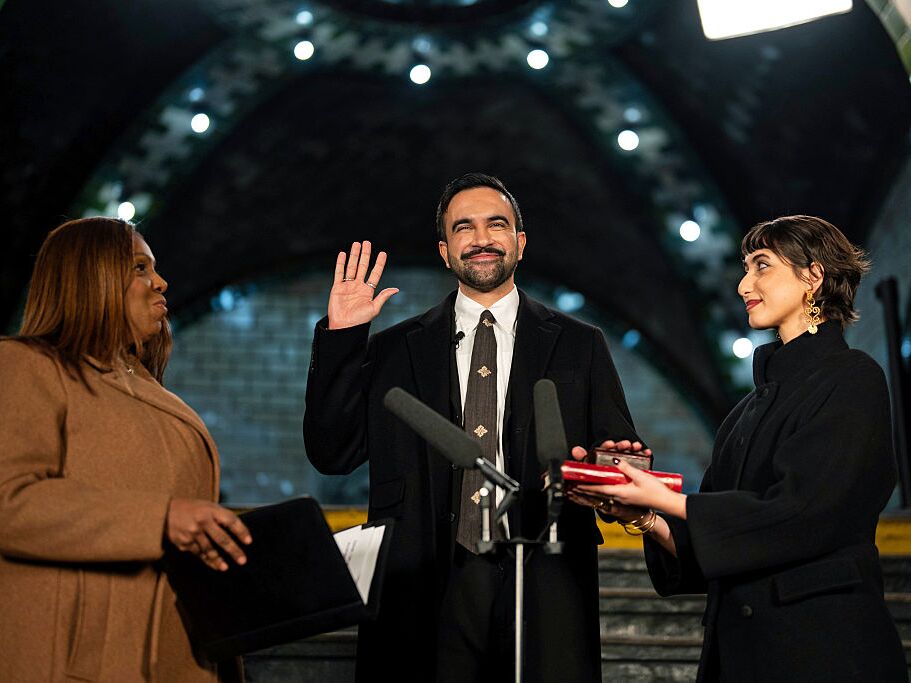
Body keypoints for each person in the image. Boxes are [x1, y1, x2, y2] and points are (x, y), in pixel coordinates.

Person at [303, 173, 644, 681]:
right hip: (422, 582)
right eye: (464, 228)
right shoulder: (395, 350)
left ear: (520, 243)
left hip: (544, 574)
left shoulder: (580, 344)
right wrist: (343, 338)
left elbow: (617, 456)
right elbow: (332, 453)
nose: (481, 238)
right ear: (445, 251)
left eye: (496, 224)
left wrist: (616, 469)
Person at [568, 215, 907, 681]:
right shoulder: (744, 412)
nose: (744, 284)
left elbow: (803, 512)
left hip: (823, 654)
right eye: (745, 268)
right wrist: (642, 515)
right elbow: (712, 547)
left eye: (761, 265)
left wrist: (665, 498)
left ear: (813, 276)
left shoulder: (853, 378)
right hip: (738, 659)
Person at [0, 217, 252, 682]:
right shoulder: (24, 367)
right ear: (88, 276)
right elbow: (9, 501)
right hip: (77, 660)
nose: (160, 282)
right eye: (140, 268)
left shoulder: (151, 391)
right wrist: (162, 519)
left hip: (181, 655)